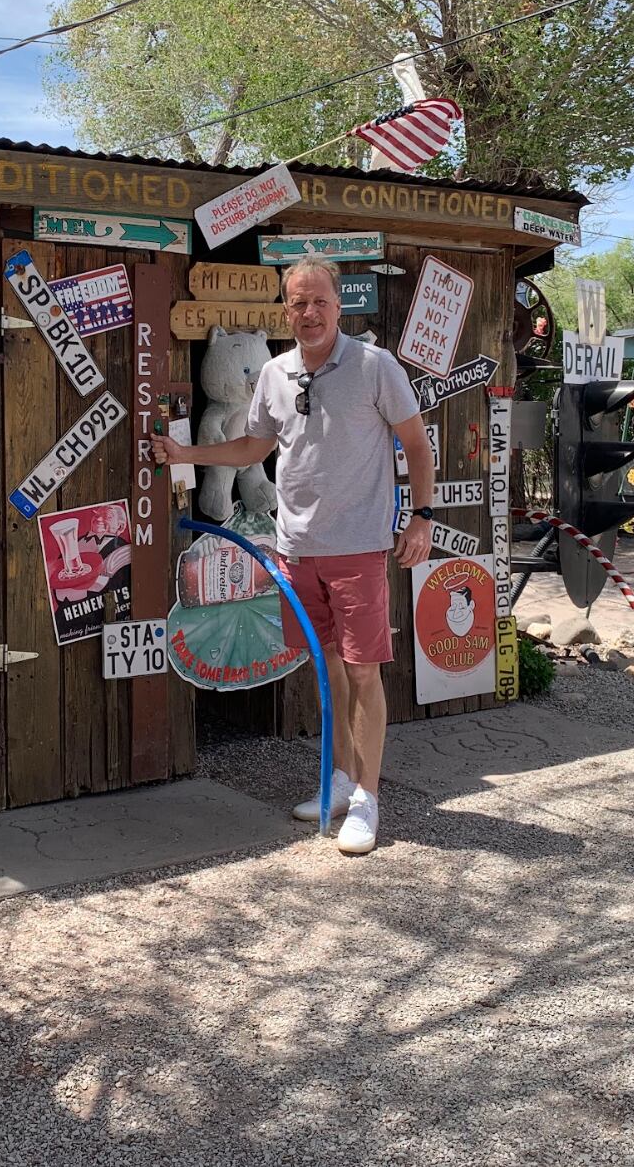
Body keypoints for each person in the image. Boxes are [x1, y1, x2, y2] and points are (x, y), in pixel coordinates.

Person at [153, 253, 436, 854]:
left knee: (363, 671)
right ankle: (337, 782)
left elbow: (415, 443)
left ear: (339, 305)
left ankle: (367, 799)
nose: (310, 312)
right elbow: (254, 444)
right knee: (327, 667)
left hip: (358, 547)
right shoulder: (275, 374)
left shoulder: (373, 365)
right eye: (299, 302)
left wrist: (422, 516)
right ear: (286, 310)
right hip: (295, 546)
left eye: (320, 302)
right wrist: (185, 457)